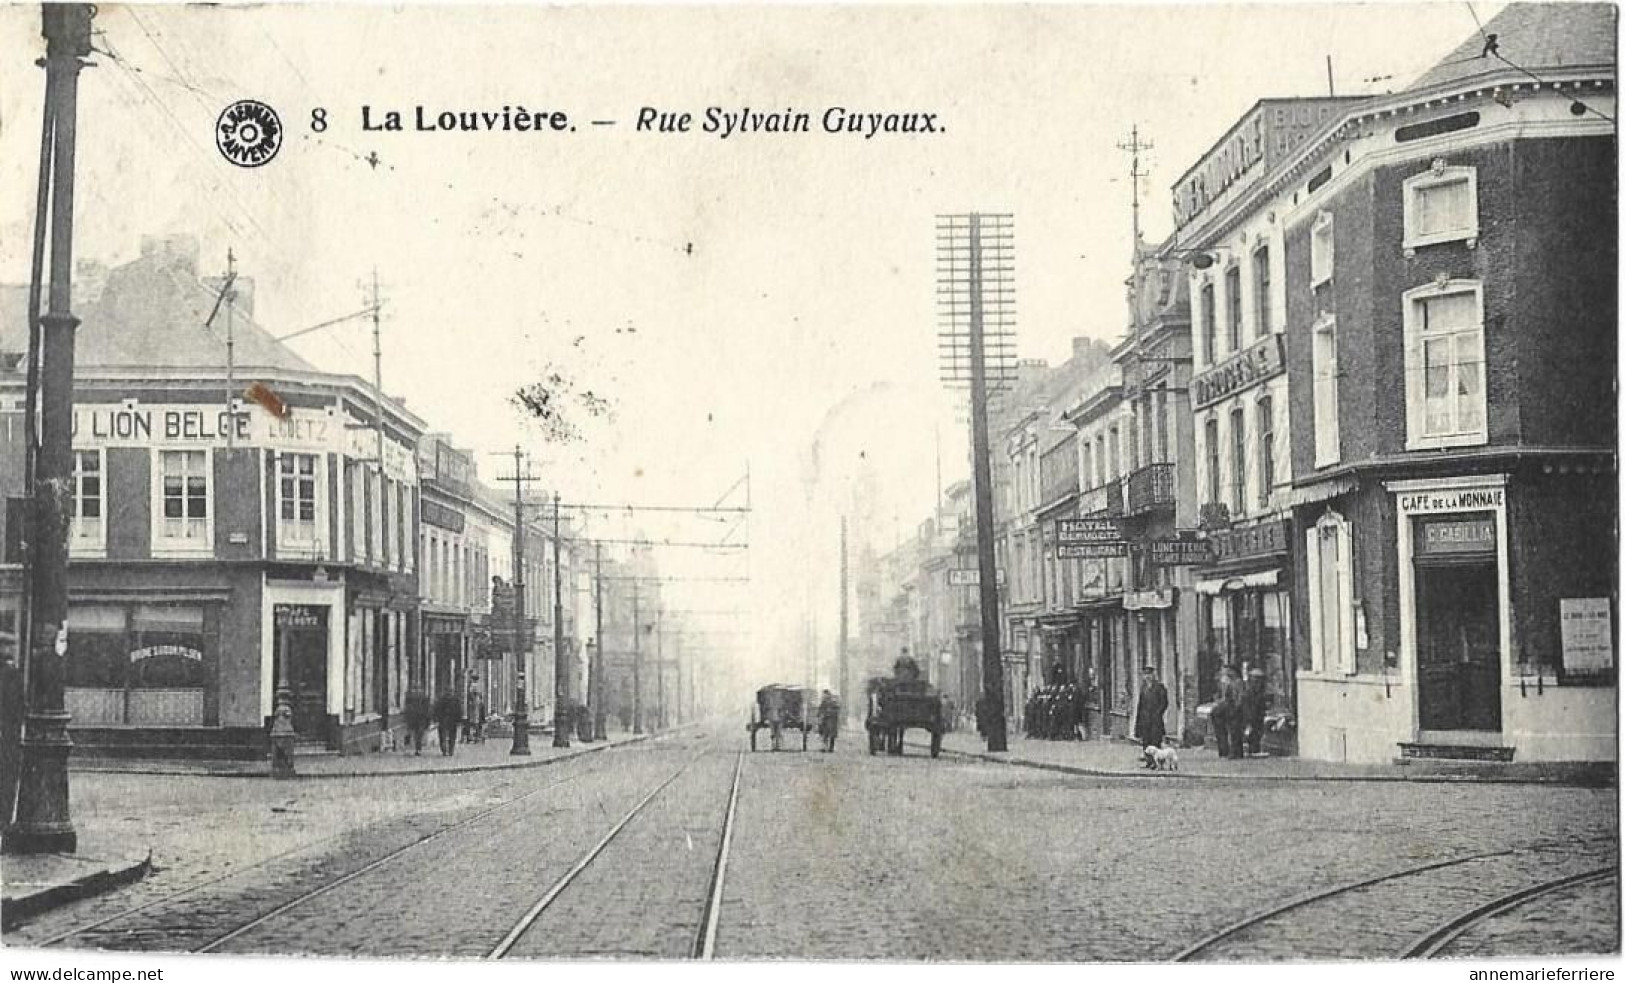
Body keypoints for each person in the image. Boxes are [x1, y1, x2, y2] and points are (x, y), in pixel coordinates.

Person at [1133, 665, 1169, 756]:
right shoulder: (1143, 689)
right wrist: (1138, 722)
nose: (1147, 677)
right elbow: (1140, 705)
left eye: (1149, 674)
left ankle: (1156, 761)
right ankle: (1148, 760)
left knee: (1155, 739)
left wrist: (1158, 713)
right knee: (1146, 740)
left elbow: (1164, 702)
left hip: (1155, 719)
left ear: (1154, 675)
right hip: (1145, 719)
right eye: (1145, 675)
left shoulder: (1159, 687)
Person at [1211, 666, 1245, 759]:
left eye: (1228, 671)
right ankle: (1227, 751)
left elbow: (1239, 697)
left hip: (1234, 710)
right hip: (1229, 710)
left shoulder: (1238, 682)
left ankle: (1236, 752)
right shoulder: (1228, 683)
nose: (1226, 673)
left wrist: (1236, 707)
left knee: (1235, 731)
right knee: (1232, 731)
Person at [1241, 667, 1272, 757]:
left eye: (1259, 680)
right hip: (1252, 716)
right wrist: (1248, 719)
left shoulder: (1261, 693)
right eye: (1255, 680)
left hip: (1258, 716)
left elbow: (1262, 705)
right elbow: (1247, 707)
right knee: (1253, 732)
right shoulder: (1248, 693)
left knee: (1257, 731)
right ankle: (1253, 749)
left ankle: (1254, 749)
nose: (1257, 683)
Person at [433, 689, 462, 756]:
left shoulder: (441, 700)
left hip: (444, 720)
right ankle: (450, 750)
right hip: (451, 721)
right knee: (451, 736)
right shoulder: (455, 700)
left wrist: (436, 719)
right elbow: (459, 711)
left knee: (443, 736)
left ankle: (445, 750)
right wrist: (459, 720)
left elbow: (436, 710)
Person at [403, 687, 431, 755]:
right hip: (417, 719)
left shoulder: (424, 699)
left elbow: (428, 710)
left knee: (418, 734)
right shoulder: (411, 699)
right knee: (418, 734)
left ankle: (418, 748)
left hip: (420, 719)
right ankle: (418, 748)